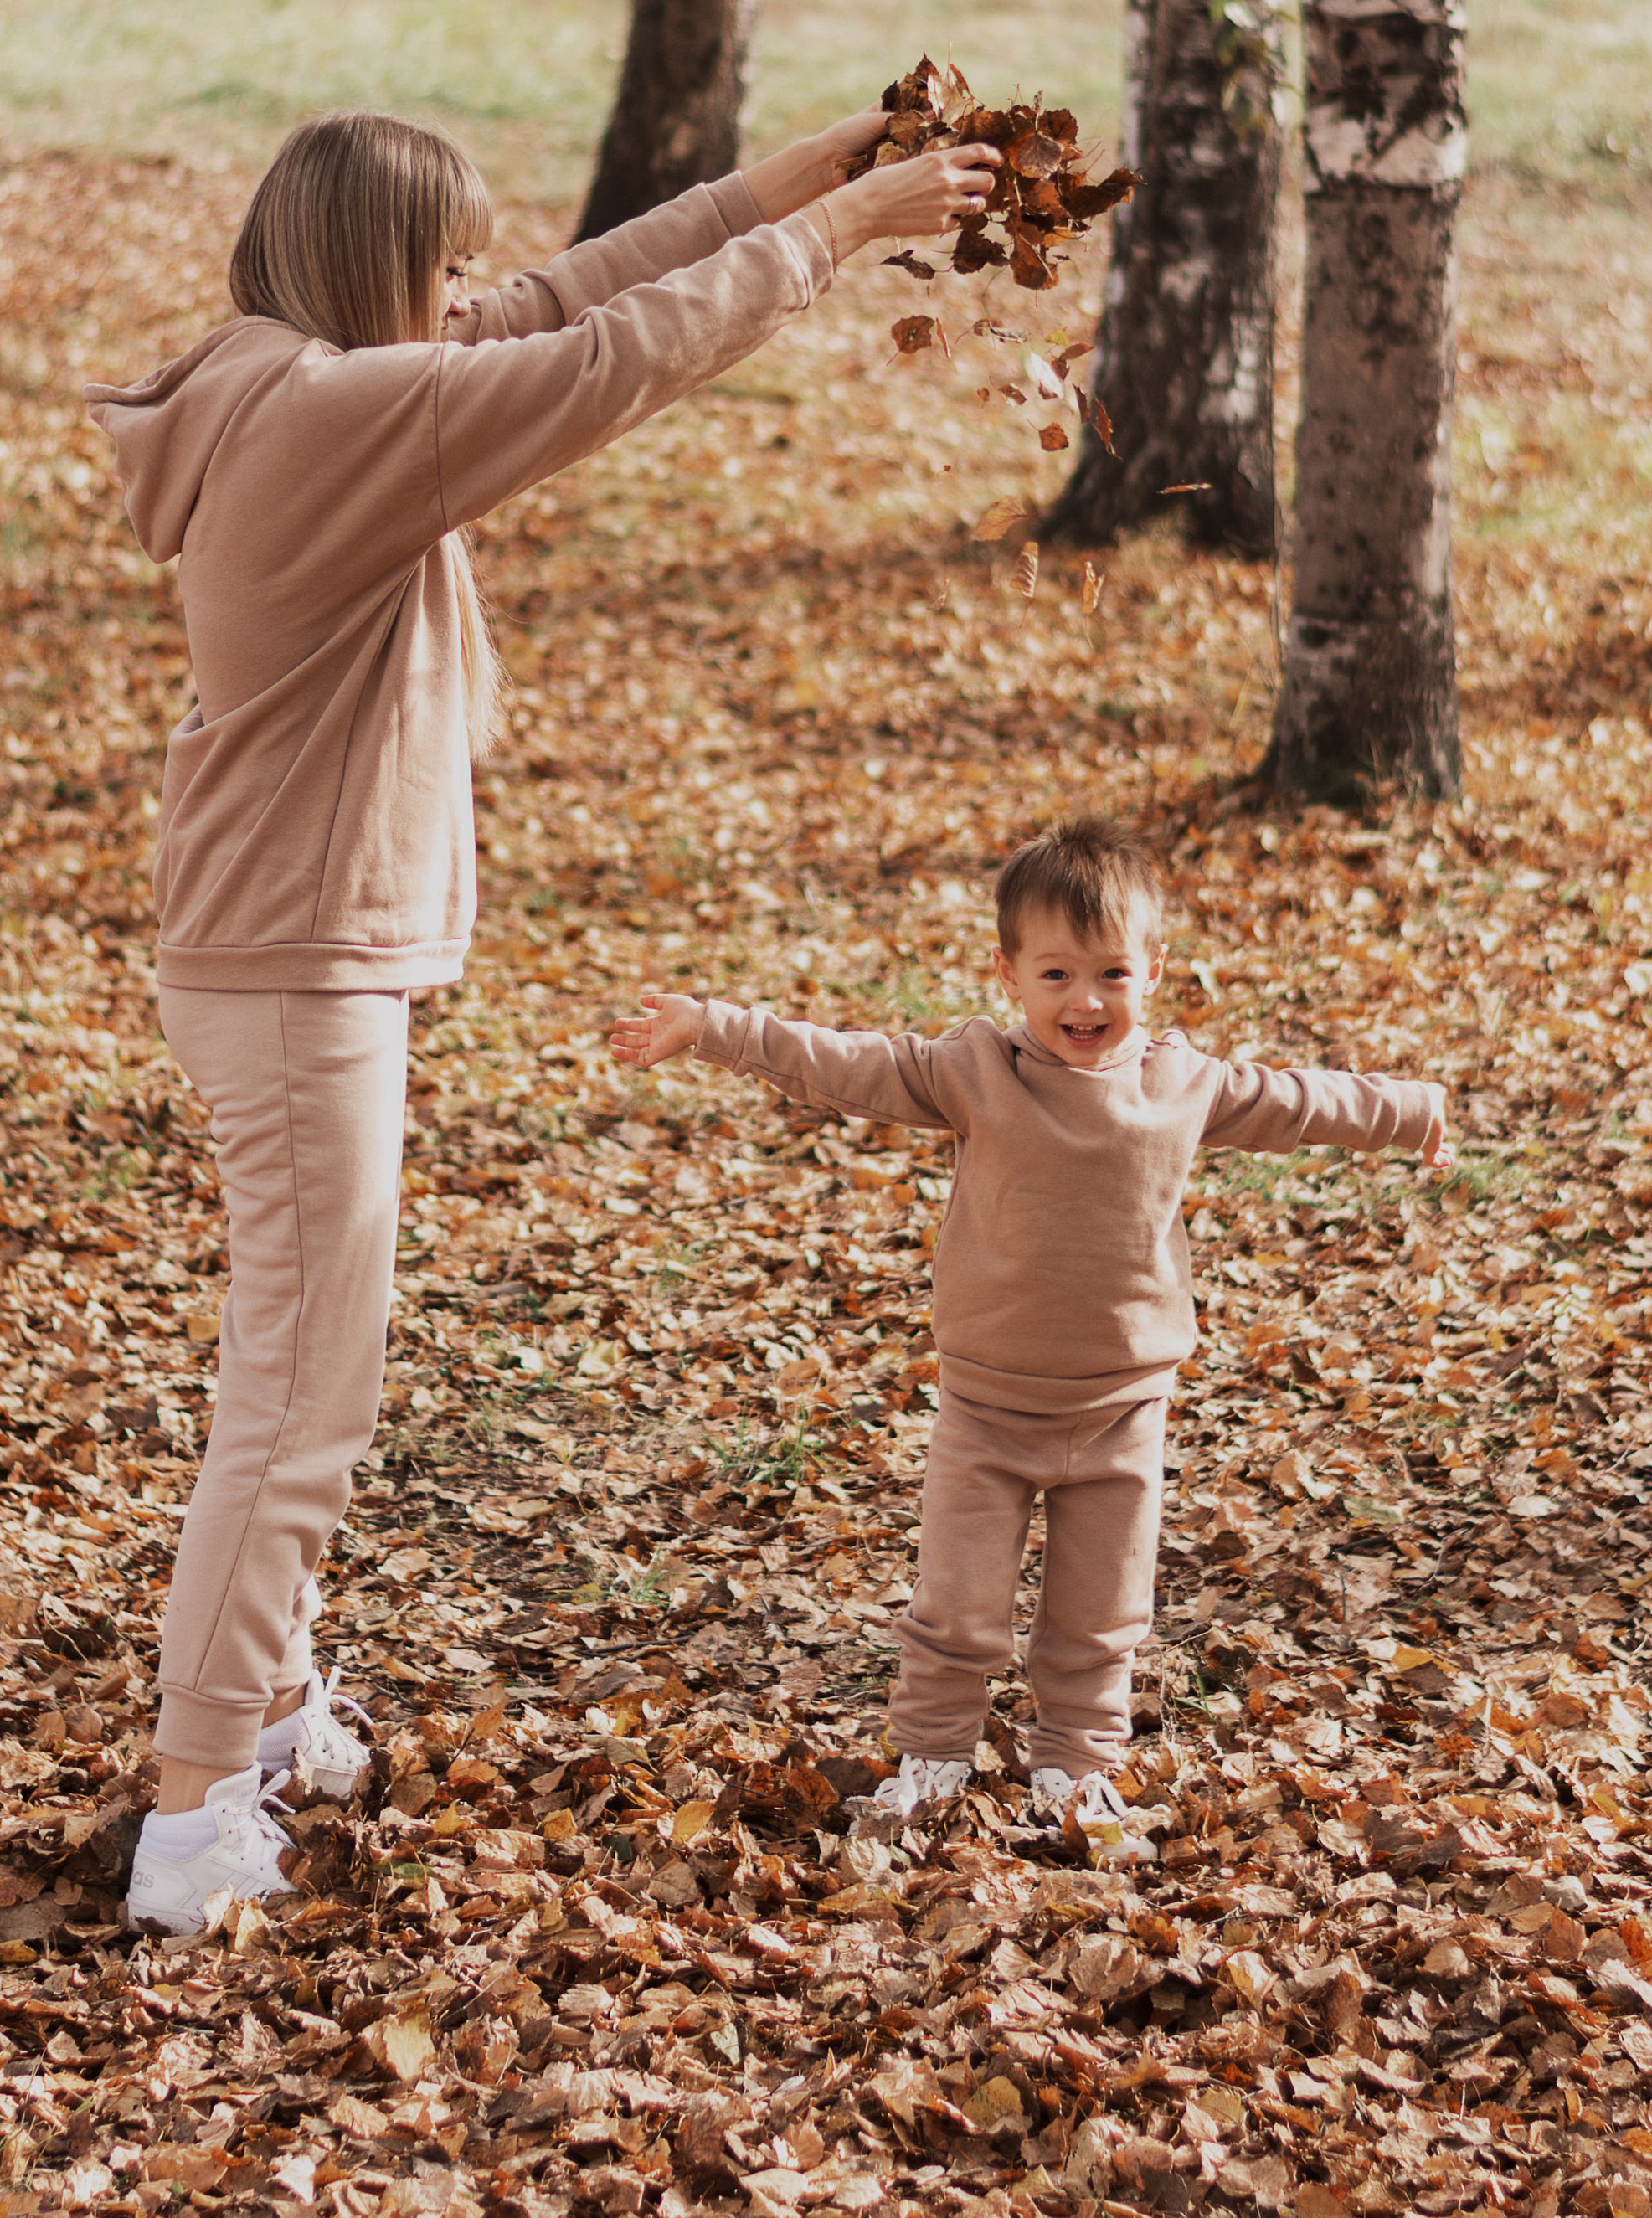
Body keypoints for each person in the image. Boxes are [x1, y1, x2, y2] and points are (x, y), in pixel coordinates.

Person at [85, 99, 1001, 1932]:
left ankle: (261, 1704)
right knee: (299, 1391)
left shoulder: (300, 374)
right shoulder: (338, 415)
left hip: (285, 954)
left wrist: (798, 177)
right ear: (366, 270)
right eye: (431, 265)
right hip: (289, 967)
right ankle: (193, 1812)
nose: (461, 294)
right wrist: (841, 240)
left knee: (300, 1364)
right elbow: (606, 361)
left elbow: (563, 297)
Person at [610, 817, 1453, 1853]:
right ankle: (933, 1760)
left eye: (1111, 974)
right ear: (1007, 974)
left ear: (1154, 970)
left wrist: (1410, 1109)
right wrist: (714, 1026)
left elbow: (1299, 1102)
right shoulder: (973, 1072)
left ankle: (1073, 1772)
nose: (1085, 1002)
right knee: (956, 1604)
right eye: (1055, 974)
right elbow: (845, 1064)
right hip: (988, 1403)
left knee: (1101, 1615)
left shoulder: (1186, 1085)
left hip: (1121, 1410)